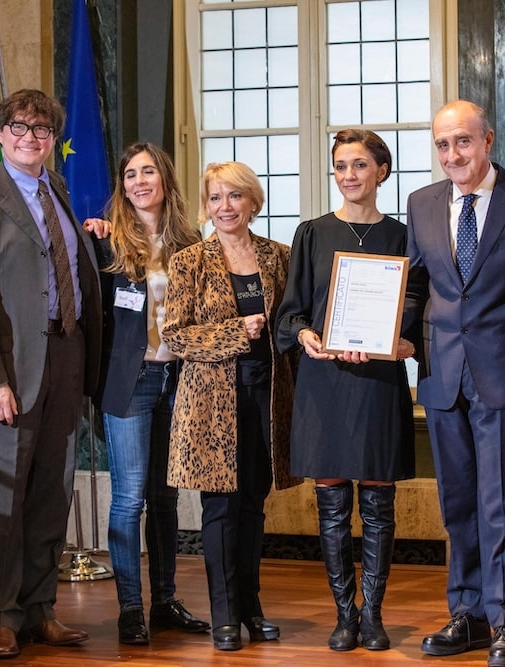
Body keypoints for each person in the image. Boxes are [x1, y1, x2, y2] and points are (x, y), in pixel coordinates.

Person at [0, 88, 103, 660]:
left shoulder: (57, 191)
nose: (30, 137)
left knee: (51, 490)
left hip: (67, 355)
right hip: (11, 370)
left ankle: (40, 608)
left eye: (42, 130)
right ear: (0, 133)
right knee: (4, 496)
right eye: (20, 127)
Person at [406, 99, 505, 667]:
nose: (453, 154)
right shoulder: (422, 203)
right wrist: (400, 336)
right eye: (442, 144)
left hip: (504, 376)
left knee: (502, 502)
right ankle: (467, 613)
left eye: (463, 141)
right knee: (457, 503)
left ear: (487, 139)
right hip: (442, 374)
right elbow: (416, 285)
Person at [274, 129, 421, 652]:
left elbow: (417, 311)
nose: (349, 175)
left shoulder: (405, 237)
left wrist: (401, 344)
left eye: (359, 165)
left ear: (381, 170)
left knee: (379, 504)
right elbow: (287, 315)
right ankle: (343, 615)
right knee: (333, 505)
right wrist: (308, 335)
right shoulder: (311, 233)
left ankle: (374, 615)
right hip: (325, 381)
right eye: (340, 166)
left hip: (379, 381)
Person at [162, 161, 300, 651]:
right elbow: (175, 336)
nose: (225, 207)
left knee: (253, 504)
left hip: (267, 397)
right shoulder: (189, 262)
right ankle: (223, 615)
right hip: (210, 401)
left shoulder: (279, 256)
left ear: (253, 203)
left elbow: (292, 327)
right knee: (220, 507)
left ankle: (250, 607)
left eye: (235, 197)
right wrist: (233, 332)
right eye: (216, 198)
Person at [84, 143, 208, 645]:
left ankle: (166, 602)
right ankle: (130, 608)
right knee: (129, 498)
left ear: (165, 179)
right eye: (130, 174)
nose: (139, 181)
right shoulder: (105, 240)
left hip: (177, 379)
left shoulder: (190, 240)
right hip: (129, 381)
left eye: (148, 171)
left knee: (165, 497)